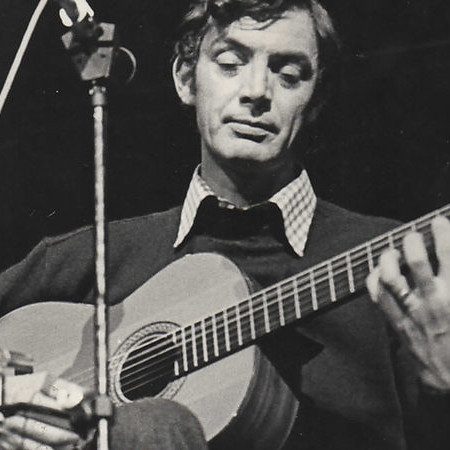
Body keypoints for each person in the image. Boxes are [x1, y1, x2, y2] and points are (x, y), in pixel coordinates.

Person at [0, 0, 449, 448]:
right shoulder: (93, 254)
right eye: (231, 64)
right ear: (185, 80)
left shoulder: (403, 267)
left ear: (316, 102)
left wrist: (443, 383)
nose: (257, 90)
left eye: (288, 75)